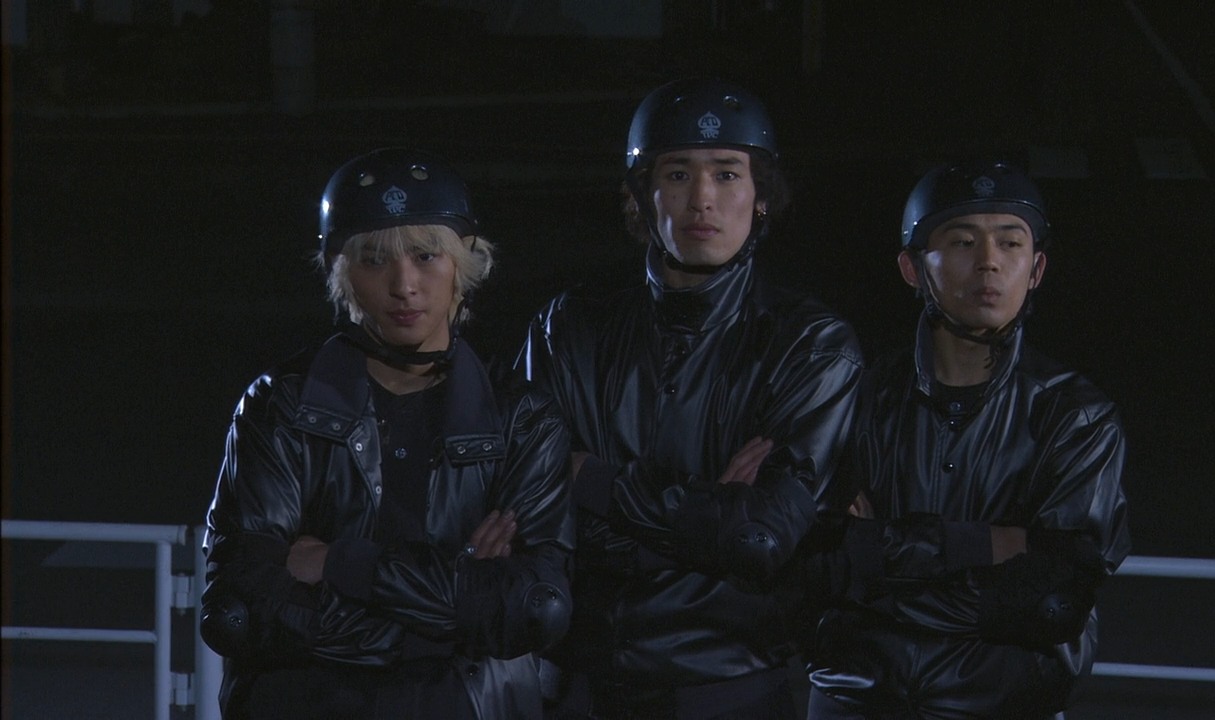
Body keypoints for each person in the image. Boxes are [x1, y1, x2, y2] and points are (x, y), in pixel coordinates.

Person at [516, 77, 864, 719]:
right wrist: (708, 519)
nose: (703, 198)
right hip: (576, 691)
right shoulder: (568, 327)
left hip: (728, 695)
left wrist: (590, 478)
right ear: (641, 194)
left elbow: (759, 540)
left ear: (762, 195)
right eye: (678, 174)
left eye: (727, 174)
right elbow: (526, 515)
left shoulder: (810, 344)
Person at [200, 147, 575, 719]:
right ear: (341, 270)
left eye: (426, 256)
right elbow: (239, 606)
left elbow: (532, 609)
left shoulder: (521, 418)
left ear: (462, 263)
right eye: (375, 260)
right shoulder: (280, 406)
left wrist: (340, 564)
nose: (405, 285)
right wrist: (452, 602)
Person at [804, 160, 1131, 719]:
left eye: (1011, 242)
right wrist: (994, 545)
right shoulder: (856, 397)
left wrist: (880, 551)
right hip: (856, 699)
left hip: (1002, 703)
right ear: (912, 268)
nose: (988, 261)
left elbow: (1052, 598)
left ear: (1036, 268)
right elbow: (811, 566)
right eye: (961, 241)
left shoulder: (1076, 416)